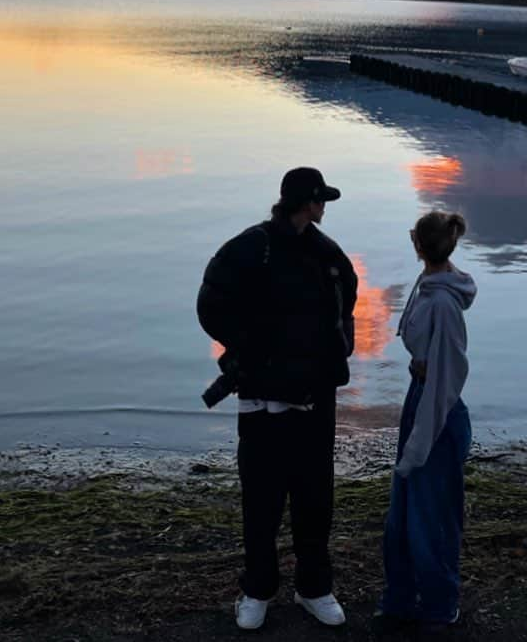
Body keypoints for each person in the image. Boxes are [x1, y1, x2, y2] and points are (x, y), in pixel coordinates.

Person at [196, 166, 358, 632]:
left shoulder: (327, 254)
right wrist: (249, 346)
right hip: (261, 400)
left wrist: (337, 345)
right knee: (261, 502)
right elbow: (210, 303)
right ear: (306, 203)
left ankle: (315, 588)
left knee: (315, 498)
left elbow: (347, 297)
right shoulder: (252, 247)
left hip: (315, 400)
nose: (325, 207)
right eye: (320, 199)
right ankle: (257, 591)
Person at [379, 210, 476, 633]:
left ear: (418, 245)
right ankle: (400, 599)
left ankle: (439, 606)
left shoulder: (442, 303)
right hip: (420, 399)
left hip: (437, 410)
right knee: (403, 513)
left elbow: (447, 379)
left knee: (432, 517)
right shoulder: (429, 284)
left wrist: (418, 445)